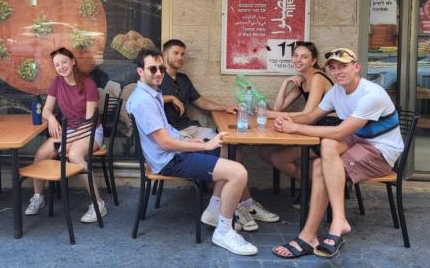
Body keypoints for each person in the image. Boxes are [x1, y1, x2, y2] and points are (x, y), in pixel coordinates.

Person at [271, 48, 404, 259]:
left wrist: (294, 129)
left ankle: (312, 234)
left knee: (321, 165)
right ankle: (334, 223)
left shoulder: (372, 94)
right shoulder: (336, 91)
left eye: (343, 66)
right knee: (326, 149)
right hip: (357, 141)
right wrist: (287, 121)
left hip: (380, 151)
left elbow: (340, 131)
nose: (337, 71)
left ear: (356, 67)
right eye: (333, 67)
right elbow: (312, 116)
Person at [127, 48, 257, 256]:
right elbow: (164, 143)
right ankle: (224, 231)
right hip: (170, 160)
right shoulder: (143, 100)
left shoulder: (153, 94)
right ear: (140, 71)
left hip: (173, 153)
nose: (159, 73)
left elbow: (167, 130)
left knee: (227, 148)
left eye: (161, 68)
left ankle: (214, 209)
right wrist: (203, 146)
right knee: (238, 172)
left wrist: (188, 138)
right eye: (153, 69)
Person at [161, 39, 279, 231]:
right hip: (175, 134)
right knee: (232, 154)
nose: (180, 57)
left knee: (229, 144)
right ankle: (243, 205)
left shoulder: (183, 79)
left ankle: (240, 204)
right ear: (164, 54)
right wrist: (170, 97)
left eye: (183, 54)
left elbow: (200, 101)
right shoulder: (157, 78)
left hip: (191, 127)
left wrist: (225, 107)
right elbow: (145, 98)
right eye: (176, 53)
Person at [24, 47, 108, 223]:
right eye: (57, 64)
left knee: (74, 155)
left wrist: (69, 141)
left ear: (72, 62)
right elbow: (46, 110)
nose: (61, 67)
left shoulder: (88, 84)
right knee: (41, 154)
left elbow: (89, 121)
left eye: (64, 62)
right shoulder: (57, 82)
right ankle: (38, 197)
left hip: (90, 130)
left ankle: (98, 204)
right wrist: (52, 119)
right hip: (68, 129)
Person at [260, 41, 334, 206]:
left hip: (328, 129)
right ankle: (313, 185)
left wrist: (271, 114)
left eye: (304, 57)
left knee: (279, 158)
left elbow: (308, 114)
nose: (298, 60)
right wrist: (286, 83)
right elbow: (279, 107)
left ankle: (313, 186)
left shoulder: (317, 78)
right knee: (265, 152)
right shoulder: (303, 80)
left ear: (313, 61)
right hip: (313, 126)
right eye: (295, 56)